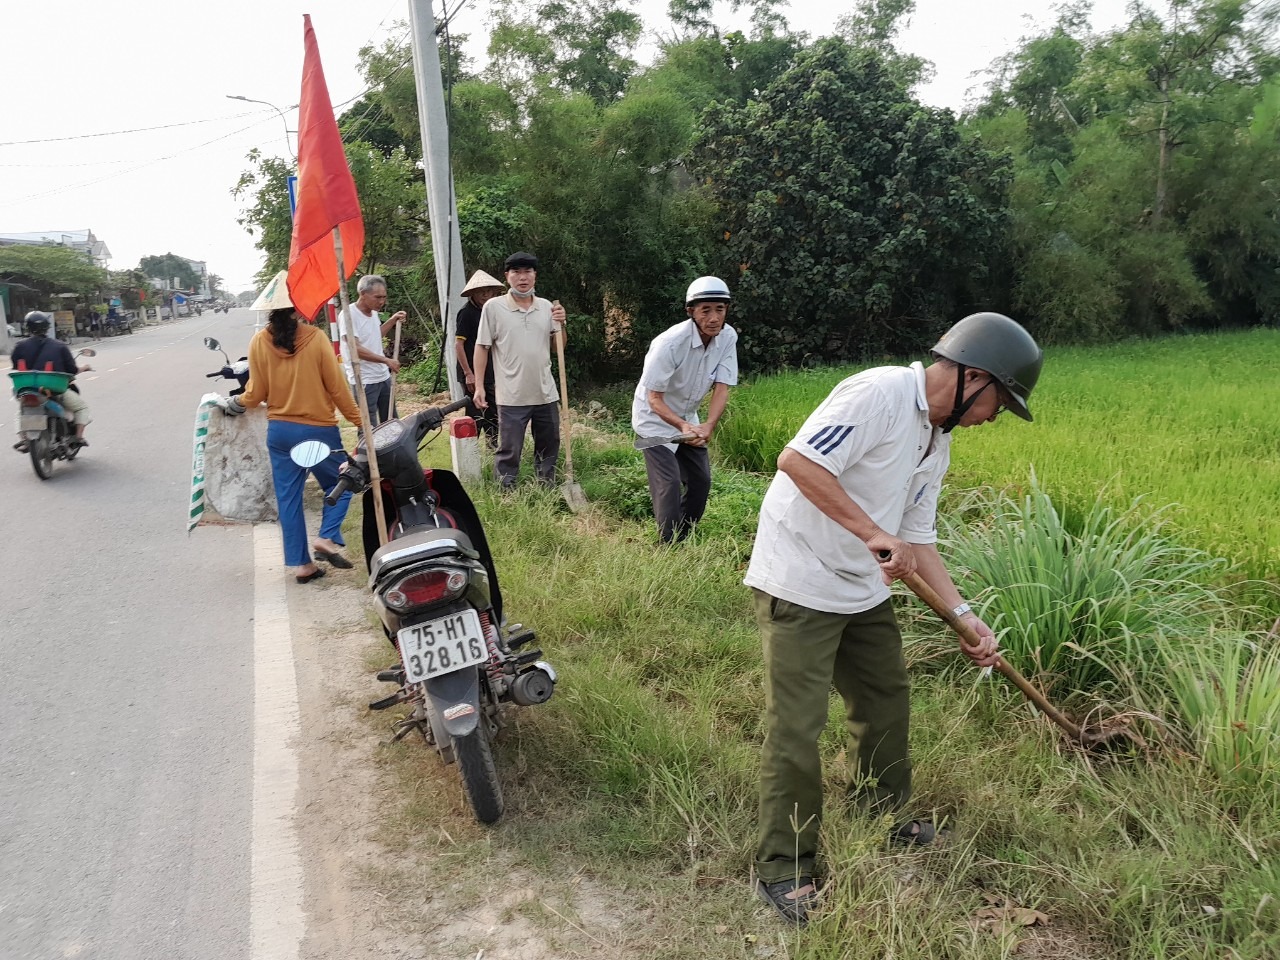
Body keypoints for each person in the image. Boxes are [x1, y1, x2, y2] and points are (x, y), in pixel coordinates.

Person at [742, 312, 1044, 925]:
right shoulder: (878, 393)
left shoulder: (937, 439)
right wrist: (872, 533)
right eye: (1000, 403)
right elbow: (798, 462)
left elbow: (917, 537)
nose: (994, 418)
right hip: (800, 578)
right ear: (974, 378)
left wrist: (965, 617)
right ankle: (785, 864)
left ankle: (881, 811)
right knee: (797, 726)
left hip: (862, 587)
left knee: (885, 698)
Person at [225, 306, 364, 584]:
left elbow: (255, 393)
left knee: (288, 499)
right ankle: (326, 537)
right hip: (318, 430)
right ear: (298, 309)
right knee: (343, 483)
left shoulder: (258, 341)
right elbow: (337, 387)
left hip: (281, 434)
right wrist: (360, 421)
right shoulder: (316, 337)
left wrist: (236, 403)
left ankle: (303, 566)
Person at [631, 276, 739, 543]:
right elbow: (654, 398)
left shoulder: (727, 336)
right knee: (668, 483)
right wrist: (682, 426)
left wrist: (708, 425)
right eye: (705, 310)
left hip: (689, 418)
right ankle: (667, 545)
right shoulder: (670, 343)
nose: (714, 318)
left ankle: (684, 535)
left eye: (720, 309)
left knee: (701, 481)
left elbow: (722, 387)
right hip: (654, 419)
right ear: (691, 311)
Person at [472, 252, 568, 491]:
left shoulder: (547, 307)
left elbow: (558, 348)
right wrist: (480, 386)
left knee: (549, 445)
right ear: (507, 276)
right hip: (511, 395)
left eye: (527, 272)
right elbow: (482, 347)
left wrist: (561, 324)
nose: (522, 277)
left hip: (545, 392)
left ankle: (546, 487)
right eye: (516, 272)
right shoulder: (494, 307)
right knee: (509, 448)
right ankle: (506, 491)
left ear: (535, 275)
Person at [10, 311, 92, 451]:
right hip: (54, 390)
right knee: (81, 408)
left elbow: (16, 366)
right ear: (47, 327)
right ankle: (78, 437)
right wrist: (84, 368)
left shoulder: (19, 346)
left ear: (27, 327)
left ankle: (24, 440)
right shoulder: (60, 346)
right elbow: (71, 370)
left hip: (28, 390)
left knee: (21, 412)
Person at [338, 275, 406, 429]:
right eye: (377, 297)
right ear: (363, 294)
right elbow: (355, 349)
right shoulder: (348, 315)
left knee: (392, 423)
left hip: (382, 376)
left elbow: (375, 335)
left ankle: (392, 446)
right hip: (364, 380)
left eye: (384, 297)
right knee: (368, 428)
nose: (381, 301)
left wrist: (392, 320)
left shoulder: (374, 313)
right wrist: (386, 360)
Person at [455, 270, 505, 448]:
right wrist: (468, 373)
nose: (485, 295)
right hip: (471, 371)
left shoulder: (493, 311)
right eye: (481, 291)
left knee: (493, 412)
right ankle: (469, 452)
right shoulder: (466, 313)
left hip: (490, 371)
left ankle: (493, 448)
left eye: (488, 291)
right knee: (475, 413)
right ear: (473, 294)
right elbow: (458, 345)